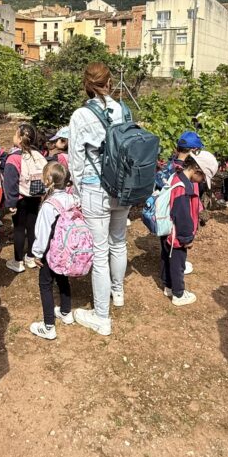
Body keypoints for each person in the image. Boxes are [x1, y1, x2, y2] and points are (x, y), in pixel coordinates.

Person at [67, 62, 130, 337]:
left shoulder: (81, 115)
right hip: (123, 187)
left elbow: (75, 161)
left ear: (87, 84)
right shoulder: (123, 110)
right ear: (110, 82)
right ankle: (118, 292)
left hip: (95, 189)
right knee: (119, 242)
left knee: (100, 253)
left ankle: (102, 317)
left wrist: (79, 193)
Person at [160, 149, 217, 306]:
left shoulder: (176, 176)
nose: (202, 181)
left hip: (167, 228)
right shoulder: (184, 188)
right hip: (177, 234)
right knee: (178, 264)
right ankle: (178, 294)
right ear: (197, 169)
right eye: (203, 177)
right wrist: (186, 239)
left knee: (167, 258)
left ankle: (168, 286)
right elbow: (183, 216)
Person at [29, 162, 76, 340]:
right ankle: (66, 311)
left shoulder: (49, 206)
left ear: (48, 180)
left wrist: (37, 254)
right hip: (67, 248)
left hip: (51, 251)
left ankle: (48, 326)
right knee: (62, 278)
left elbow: (42, 233)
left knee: (45, 284)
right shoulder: (72, 199)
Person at [3, 122, 44, 274]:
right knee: (32, 227)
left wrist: (11, 202)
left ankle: (18, 261)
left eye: (15, 134)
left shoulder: (13, 158)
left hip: (20, 199)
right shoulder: (38, 155)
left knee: (19, 229)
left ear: (20, 139)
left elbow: (10, 182)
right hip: (35, 196)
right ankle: (31, 257)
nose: (13, 136)